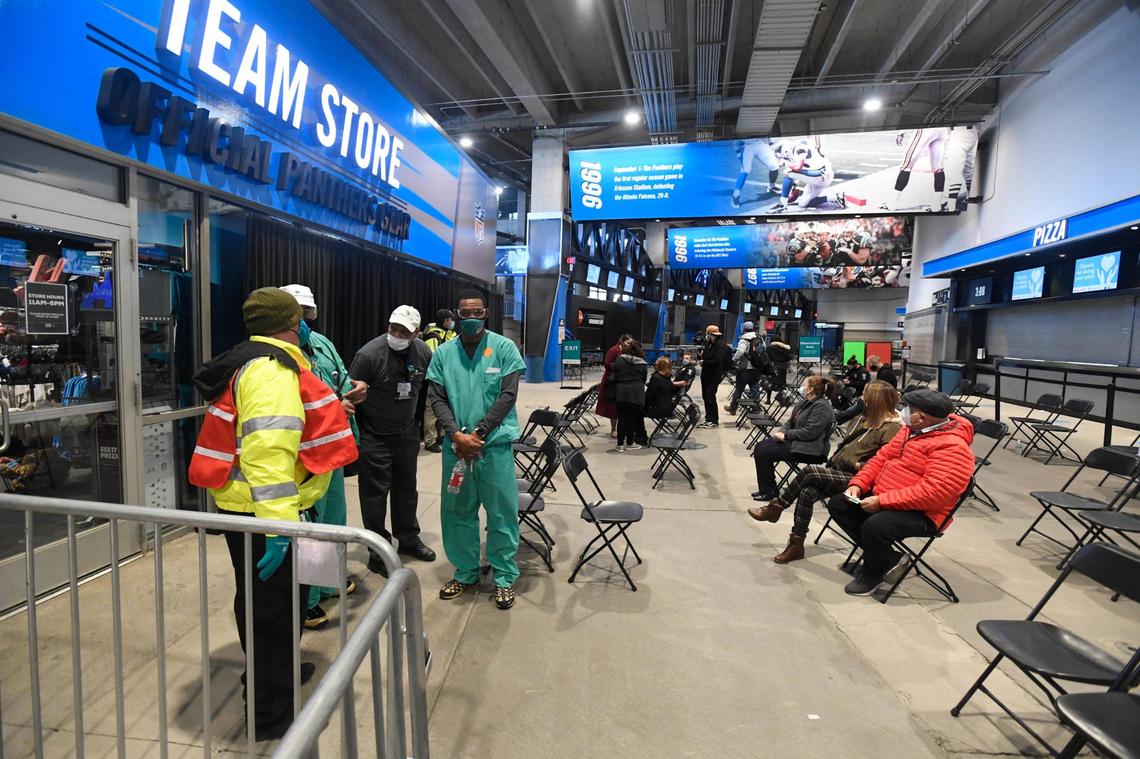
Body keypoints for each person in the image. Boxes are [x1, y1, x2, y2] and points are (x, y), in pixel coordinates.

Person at [188, 288, 357, 741]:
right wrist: (279, 527)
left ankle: (272, 677)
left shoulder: (254, 361)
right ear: (293, 322)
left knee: (267, 604)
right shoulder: (271, 371)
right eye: (302, 318)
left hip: (254, 509)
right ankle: (271, 717)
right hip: (266, 515)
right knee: (272, 611)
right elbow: (268, 450)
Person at [427, 288, 526, 610]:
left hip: (493, 448)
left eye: (477, 313)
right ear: (456, 315)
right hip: (456, 448)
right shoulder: (443, 354)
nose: (471, 319)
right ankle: (466, 571)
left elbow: (507, 396)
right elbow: (437, 398)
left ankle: (504, 577)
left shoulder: (503, 348)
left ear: (486, 314)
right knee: (457, 513)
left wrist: (479, 433)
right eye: (465, 313)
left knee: (501, 513)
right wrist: (456, 435)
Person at [279, 284, 368, 630]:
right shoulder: (274, 357)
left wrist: (356, 389)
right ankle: (306, 601)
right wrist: (334, 405)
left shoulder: (323, 345)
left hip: (331, 451)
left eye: (308, 314)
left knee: (332, 521)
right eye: (296, 314)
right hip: (301, 458)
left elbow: (341, 380)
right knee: (309, 529)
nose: (303, 321)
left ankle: (324, 582)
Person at [826, 388, 975, 596]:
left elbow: (934, 493)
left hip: (925, 513)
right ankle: (887, 559)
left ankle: (874, 572)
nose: (903, 412)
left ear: (921, 416)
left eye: (908, 409)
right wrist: (859, 484)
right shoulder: (910, 431)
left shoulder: (953, 448)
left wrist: (882, 501)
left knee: (876, 526)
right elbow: (880, 459)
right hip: (891, 498)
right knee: (839, 504)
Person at [748, 381, 901, 563]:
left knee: (811, 472)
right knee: (807, 492)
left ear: (874, 401)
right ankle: (796, 544)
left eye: (865, 396)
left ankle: (776, 507)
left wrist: (854, 464)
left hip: (859, 480)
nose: (861, 399)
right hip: (838, 470)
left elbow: (883, 465)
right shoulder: (862, 419)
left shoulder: (892, 428)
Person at [350, 306, 437, 577]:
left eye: (404, 331)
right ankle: (378, 550)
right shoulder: (368, 355)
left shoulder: (422, 351)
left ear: (416, 333)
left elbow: (427, 388)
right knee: (375, 495)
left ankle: (408, 538)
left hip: (406, 433)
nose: (396, 334)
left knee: (407, 489)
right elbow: (349, 395)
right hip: (374, 435)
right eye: (393, 328)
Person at [752, 375, 836, 501]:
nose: (801, 387)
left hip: (811, 448)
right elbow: (790, 422)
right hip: (797, 441)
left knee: (764, 452)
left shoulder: (821, 406)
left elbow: (810, 432)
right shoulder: (804, 402)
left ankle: (769, 491)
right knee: (760, 446)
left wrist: (786, 436)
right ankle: (767, 489)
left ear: (811, 389)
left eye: (804, 385)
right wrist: (781, 433)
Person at [420, 309, 457, 452]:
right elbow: (433, 358)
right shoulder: (433, 336)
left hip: (451, 378)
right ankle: (430, 440)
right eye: (450, 319)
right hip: (437, 378)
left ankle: (442, 435)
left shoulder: (451, 334)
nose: (452, 322)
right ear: (444, 321)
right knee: (431, 410)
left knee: (447, 408)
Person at [612, 340, 649, 451]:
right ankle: (630, 443)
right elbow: (643, 379)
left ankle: (619, 445)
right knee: (632, 419)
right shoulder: (642, 363)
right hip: (636, 393)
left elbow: (615, 374)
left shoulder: (619, 360)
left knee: (622, 418)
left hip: (621, 392)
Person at [597, 334, 633, 438]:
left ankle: (623, 429)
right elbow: (607, 363)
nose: (630, 345)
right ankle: (613, 430)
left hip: (624, 381)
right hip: (612, 381)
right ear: (622, 341)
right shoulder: (613, 350)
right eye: (628, 343)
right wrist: (620, 366)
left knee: (623, 407)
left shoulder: (630, 351)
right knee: (613, 408)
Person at [725, 321, 765, 415]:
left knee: (739, 388)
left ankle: (733, 408)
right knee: (755, 388)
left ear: (744, 330)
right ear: (752, 328)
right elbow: (763, 351)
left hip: (744, 369)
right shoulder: (760, 338)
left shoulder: (744, 339)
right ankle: (756, 410)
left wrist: (733, 360)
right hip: (757, 369)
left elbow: (740, 352)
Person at [697, 325, 733, 428]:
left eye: (707, 334)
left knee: (710, 397)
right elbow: (706, 356)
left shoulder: (720, 346)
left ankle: (714, 420)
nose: (706, 336)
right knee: (705, 397)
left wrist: (704, 362)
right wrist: (701, 356)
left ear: (711, 334)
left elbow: (717, 361)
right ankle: (708, 418)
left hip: (714, 376)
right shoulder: (708, 344)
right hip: (706, 375)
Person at [644, 356, 685, 421]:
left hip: (658, 411)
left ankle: (640, 431)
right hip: (668, 409)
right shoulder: (667, 378)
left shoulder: (656, 378)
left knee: (635, 410)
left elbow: (649, 396)